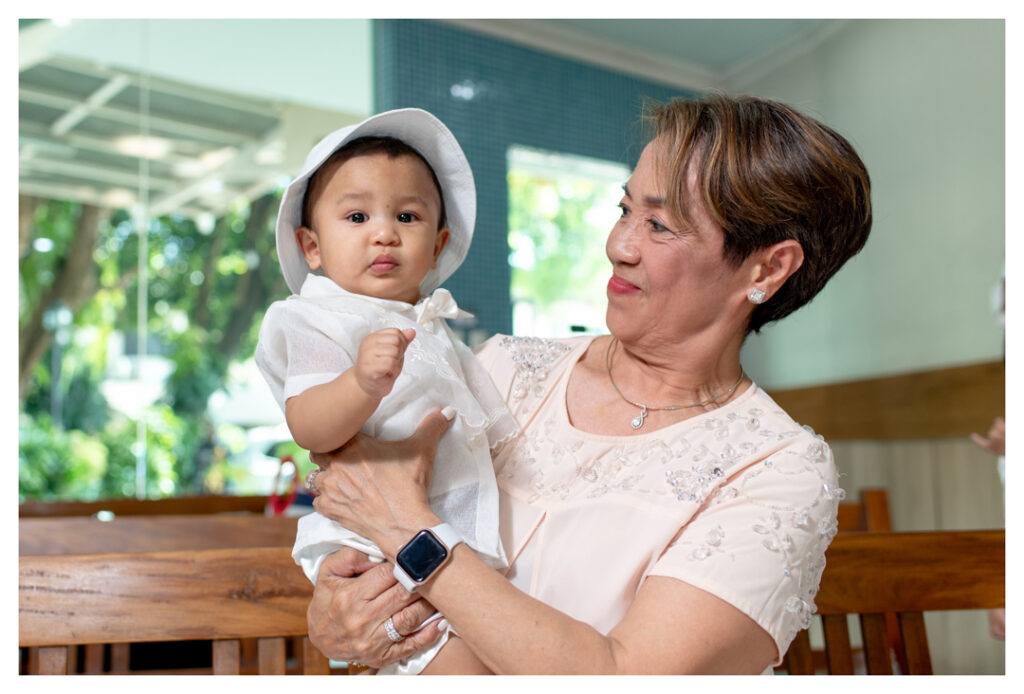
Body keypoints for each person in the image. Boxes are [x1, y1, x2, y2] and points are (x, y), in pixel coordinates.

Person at [302, 93, 873, 675]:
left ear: (768, 268)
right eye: (625, 210)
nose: (618, 246)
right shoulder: (499, 369)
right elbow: (354, 534)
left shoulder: (775, 468)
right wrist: (336, 618)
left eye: (660, 224)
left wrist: (407, 529)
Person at [254, 108, 518, 675]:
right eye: (356, 215)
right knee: (450, 659)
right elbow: (310, 426)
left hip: (445, 532)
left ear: (438, 243)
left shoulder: (430, 326)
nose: (384, 231)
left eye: (406, 215)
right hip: (371, 542)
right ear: (312, 247)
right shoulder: (316, 320)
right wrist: (358, 384)